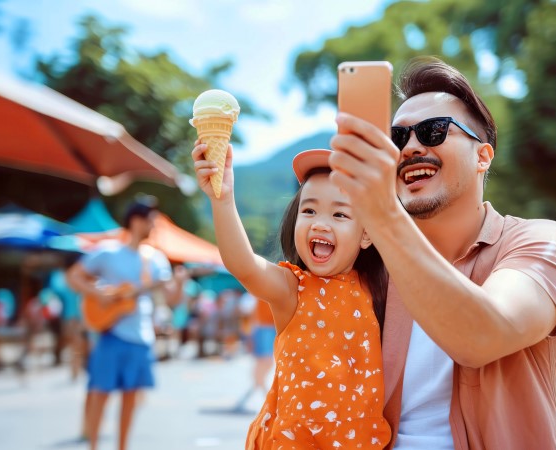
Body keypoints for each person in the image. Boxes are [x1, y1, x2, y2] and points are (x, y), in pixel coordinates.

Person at [327, 56, 556, 449]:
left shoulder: (540, 242)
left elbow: (481, 335)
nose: (410, 147)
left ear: (482, 156)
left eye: (433, 131)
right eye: (397, 138)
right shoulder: (374, 261)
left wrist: (382, 213)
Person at [192, 143, 391, 448]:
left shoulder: (378, 289)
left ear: (366, 234)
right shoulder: (292, 288)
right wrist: (223, 200)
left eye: (340, 214)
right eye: (309, 210)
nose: (320, 223)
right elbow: (245, 266)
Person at [66, 195, 187, 450]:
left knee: (132, 399)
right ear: (136, 220)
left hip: (141, 337)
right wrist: (101, 295)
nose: (154, 226)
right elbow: (74, 278)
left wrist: (181, 283)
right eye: (151, 221)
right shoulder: (108, 252)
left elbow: (172, 299)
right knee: (100, 393)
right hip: (111, 334)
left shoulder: (155, 259)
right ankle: (94, 445)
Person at [232, 295, 276, 413]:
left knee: (263, 366)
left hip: (267, 328)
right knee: (265, 364)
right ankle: (268, 399)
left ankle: (263, 396)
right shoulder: (254, 296)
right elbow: (246, 315)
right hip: (263, 329)